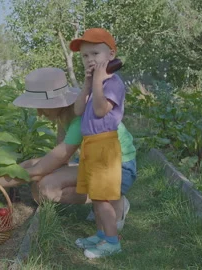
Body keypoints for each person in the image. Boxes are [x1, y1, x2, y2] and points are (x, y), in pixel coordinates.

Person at [0, 66, 136, 249]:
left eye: (42, 106)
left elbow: (42, 170)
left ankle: (112, 199)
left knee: (46, 189)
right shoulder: (65, 113)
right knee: (35, 177)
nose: (39, 113)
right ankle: (105, 201)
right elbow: (58, 156)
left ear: (57, 102)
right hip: (94, 160)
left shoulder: (80, 118)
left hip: (118, 168)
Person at [69, 27, 127, 258]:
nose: (89, 59)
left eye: (95, 54)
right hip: (90, 146)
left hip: (104, 147)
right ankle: (101, 235)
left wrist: (98, 82)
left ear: (111, 55)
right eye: (85, 56)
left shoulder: (113, 83)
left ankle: (113, 242)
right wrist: (87, 84)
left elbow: (102, 110)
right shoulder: (94, 83)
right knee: (95, 195)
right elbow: (78, 110)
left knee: (104, 198)